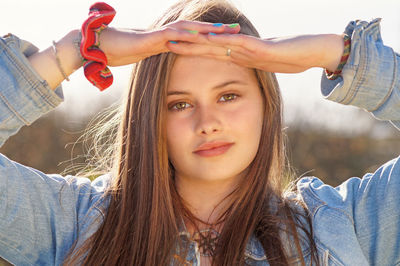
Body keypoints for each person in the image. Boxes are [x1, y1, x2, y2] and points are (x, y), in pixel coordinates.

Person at [0, 0, 399, 265]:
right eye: (180, 104)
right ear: (150, 115)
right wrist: (77, 49)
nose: (207, 122)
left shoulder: (346, 224)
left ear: (266, 103)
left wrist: (337, 54)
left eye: (228, 96)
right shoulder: (71, 221)